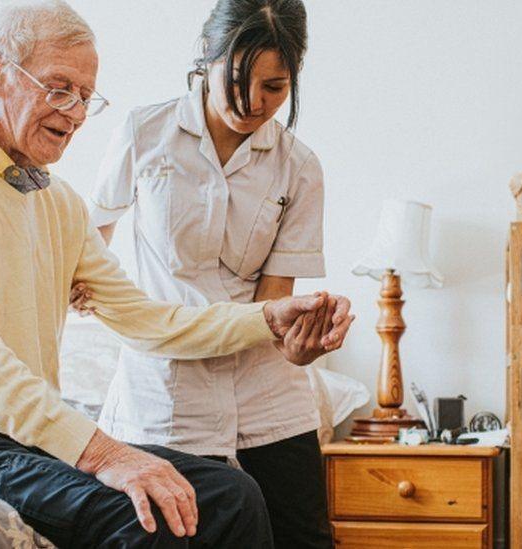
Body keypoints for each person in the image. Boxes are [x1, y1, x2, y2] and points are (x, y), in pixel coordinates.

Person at [0, 2, 352, 547]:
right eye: (59, 89)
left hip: (12, 435)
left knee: (228, 494)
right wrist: (106, 452)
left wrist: (267, 317)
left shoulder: (56, 202)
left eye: (86, 97)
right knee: (146, 516)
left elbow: (148, 320)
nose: (76, 113)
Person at [87, 1, 343, 546]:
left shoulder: (300, 168)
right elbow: (87, 241)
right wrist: (87, 288)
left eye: (275, 88)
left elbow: (273, 308)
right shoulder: (143, 133)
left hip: (269, 400)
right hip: (165, 401)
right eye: (237, 81)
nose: (253, 103)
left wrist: (299, 345)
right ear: (205, 61)